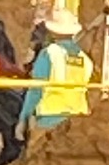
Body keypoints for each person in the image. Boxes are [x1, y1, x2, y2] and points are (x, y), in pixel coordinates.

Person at [18, 10, 94, 138]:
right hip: (77, 123)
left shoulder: (49, 54)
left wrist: (23, 119)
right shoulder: (86, 60)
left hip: (49, 121)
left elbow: (36, 90)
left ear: (52, 31)